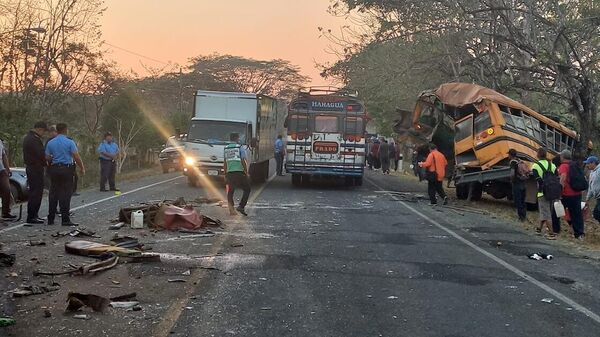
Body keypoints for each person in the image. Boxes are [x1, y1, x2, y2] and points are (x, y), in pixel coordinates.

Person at [45, 123, 85, 226]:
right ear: (66, 130)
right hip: (66, 169)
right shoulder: (70, 142)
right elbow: (76, 156)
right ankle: (65, 219)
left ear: (57, 130)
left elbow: (47, 157)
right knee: (65, 194)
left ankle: (51, 219)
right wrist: (82, 168)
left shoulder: (50, 143)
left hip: (54, 169)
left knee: (53, 193)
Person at [531, 148, 560, 239]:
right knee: (546, 212)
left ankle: (551, 233)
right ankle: (538, 229)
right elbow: (557, 177)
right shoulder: (552, 165)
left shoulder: (535, 166)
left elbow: (537, 179)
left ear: (538, 155)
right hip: (552, 192)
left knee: (546, 213)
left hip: (542, 192)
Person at [22, 121, 48, 224]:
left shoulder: (29, 138)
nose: (43, 133)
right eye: (43, 131)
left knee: (36, 191)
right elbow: (40, 154)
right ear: (39, 129)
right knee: (36, 192)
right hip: (35, 168)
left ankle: (34, 215)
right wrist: (46, 161)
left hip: (33, 167)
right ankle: (32, 216)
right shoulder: (33, 139)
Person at [558, 150, 585, 240]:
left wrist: (559, 192)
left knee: (556, 211)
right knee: (576, 214)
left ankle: (555, 230)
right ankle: (579, 234)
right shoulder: (575, 165)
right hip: (577, 194)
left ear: (562, 157)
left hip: (566, 194)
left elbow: (563, 179)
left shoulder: (564, 166)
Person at [224, 133, 250, 216]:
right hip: (239, 172)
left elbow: (225, 162)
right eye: (238, 138)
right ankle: (241, 206)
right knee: (247, 189)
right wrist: (246, 172)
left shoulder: (226, 148)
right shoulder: (240, 147)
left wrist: (225, 173)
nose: (239, 139)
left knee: (230, 191)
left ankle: (231, 210)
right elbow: (243, 160)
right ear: (236, 138)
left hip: (230, 172)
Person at [508, 149, 528, 221]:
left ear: (510, 155)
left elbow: (512, 173)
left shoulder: (513, 162)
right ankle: (524, 215)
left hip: (517, 183)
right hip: (523, 182)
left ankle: (521, 217)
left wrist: (512, 180)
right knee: (523, 200)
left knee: (518, 200)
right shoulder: (520, 160)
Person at [0, 138, 16, 221]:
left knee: (6, 190)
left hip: (1, 169)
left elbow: (3, 155)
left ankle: (6, 212)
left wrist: (7, 168)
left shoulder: (0, 142)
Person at [584, 156, 600, 223]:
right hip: (598, 198)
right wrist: (587, 199)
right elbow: (590, 187)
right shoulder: (592, 172)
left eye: (588, 163)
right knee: (596, 214)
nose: (587, 165)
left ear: (593, 163)